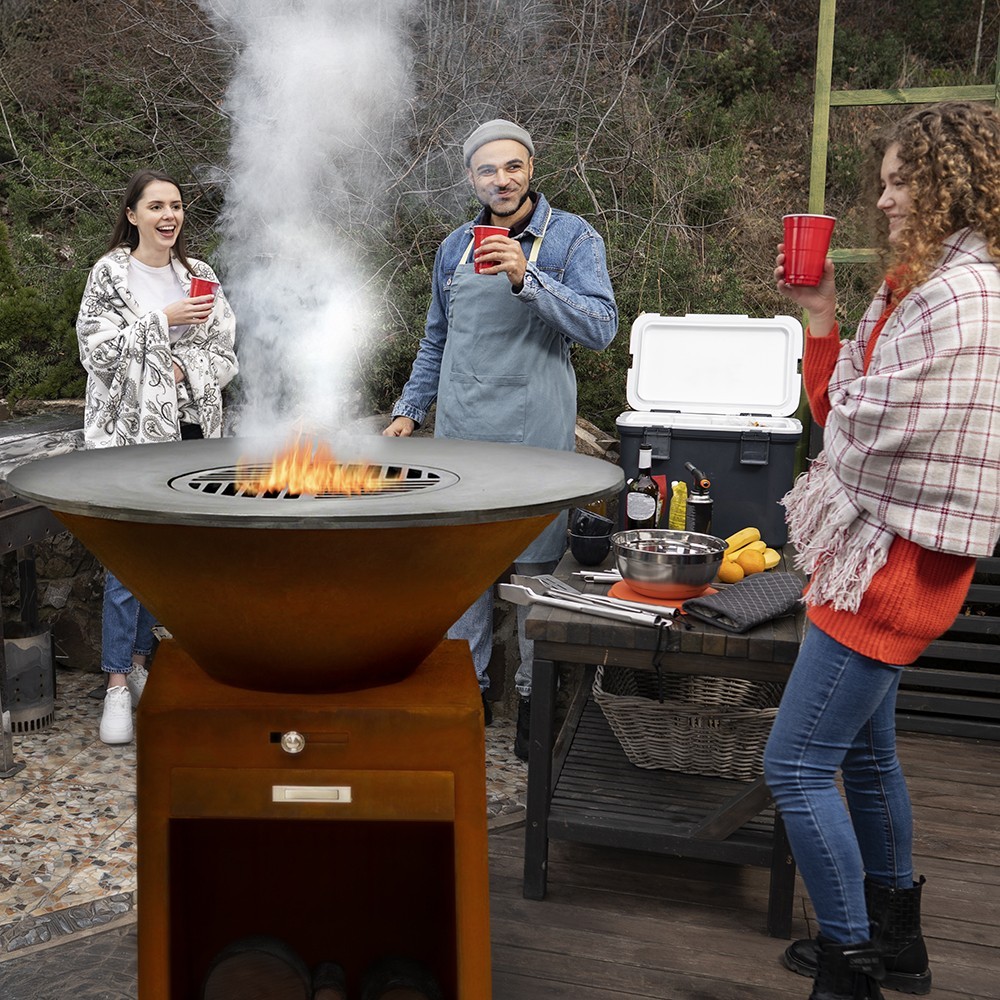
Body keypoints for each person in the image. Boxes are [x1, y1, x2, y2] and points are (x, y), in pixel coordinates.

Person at [764, 100, 1000, 1000]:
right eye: (885, 181)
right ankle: (900, 945)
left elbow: (862, 430)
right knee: (864, 754)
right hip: (878, 549)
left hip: (890, 563)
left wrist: (852, 392)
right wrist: (823, 316)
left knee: (793, 763)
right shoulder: (912, 283)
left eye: (902, 180)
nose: (885, 198)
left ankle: (850, 966)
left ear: (948, 182)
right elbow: (842, 414)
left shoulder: (962, 299)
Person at [384, 118, 618, 757]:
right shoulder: (453, 246)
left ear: (531, 169)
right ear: (472, 178)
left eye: (512, 167)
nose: (501, 179)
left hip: (535, 439)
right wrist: (410, 409)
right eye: (488, 170)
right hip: (461, 437)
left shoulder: (571, 238)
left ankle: (530, 703)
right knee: (464, 575)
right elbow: (437, 338)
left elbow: (601, 326)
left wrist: (527, 277)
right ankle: (466, 698)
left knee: (534, 576)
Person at [77, 168, 238, 745]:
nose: (168, 215)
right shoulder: (111, 275)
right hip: (129, 441)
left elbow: (223, 354)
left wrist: (184, 368)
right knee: (128, 560)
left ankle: (144, 664)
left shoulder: (199, 275)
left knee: (169, 558)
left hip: (192, 433)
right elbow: (94, 351)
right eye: (155, 206)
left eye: (175, 206)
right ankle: (117, 683)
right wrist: (160, 325)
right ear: (133, 214)